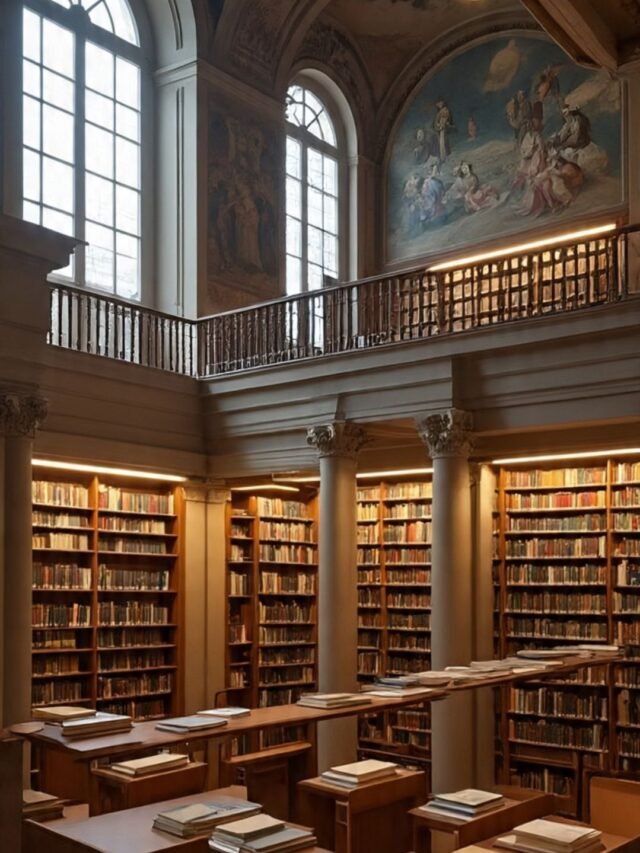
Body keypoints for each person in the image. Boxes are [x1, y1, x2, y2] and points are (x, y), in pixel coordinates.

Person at [433, 99, 453, 164]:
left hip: (443, 130)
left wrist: (443, 124)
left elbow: (446, 120)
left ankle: (445, 157)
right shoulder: (439, 113)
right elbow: (437, 122)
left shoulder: (445, 110)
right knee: (442, 144)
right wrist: (439, 125)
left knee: (444, 143)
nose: (439, 105)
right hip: (441, 130)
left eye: (440, 103)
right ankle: (443, 158)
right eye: (438, 104)